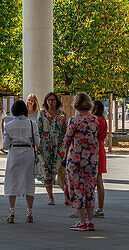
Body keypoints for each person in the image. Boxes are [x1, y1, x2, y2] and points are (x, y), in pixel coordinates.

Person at [64, 92, 100, 231]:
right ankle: (90, 221)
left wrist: (62, 156)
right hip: (91, 159)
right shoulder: (94, 120)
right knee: (90, 189)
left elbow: (67, 140)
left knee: (77, 189)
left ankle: (82, 221)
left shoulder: (74, 120)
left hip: (76, 159)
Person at [3, 99, 39, 224]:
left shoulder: (8, 125)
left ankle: (11, 211)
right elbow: (37, 142)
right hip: (28, 152)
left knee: (12, 181)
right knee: (29, 181)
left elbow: (5, 145)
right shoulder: (32, 123)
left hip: (14, 153)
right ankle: (29, 212)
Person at [37, 92, 67, 206]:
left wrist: (64, 124)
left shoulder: (62, 114)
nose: (50, 102)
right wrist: (36, 146)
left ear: (56, 101)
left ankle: (67, 195)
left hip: (59, 145)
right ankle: (51, 197)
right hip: (45, 146)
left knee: (61, 170)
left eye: (53, 100)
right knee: (46, 170)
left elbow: (65, 131)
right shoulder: (42, 114)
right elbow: (38, 130)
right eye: (49, 100)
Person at [92, 98, 108, 218]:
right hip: (101, 148)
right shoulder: (104, 120)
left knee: (90, 181)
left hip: (92, 149)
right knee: (99, 180)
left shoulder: (93, 120)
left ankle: (89, 207)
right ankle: (100, 207)